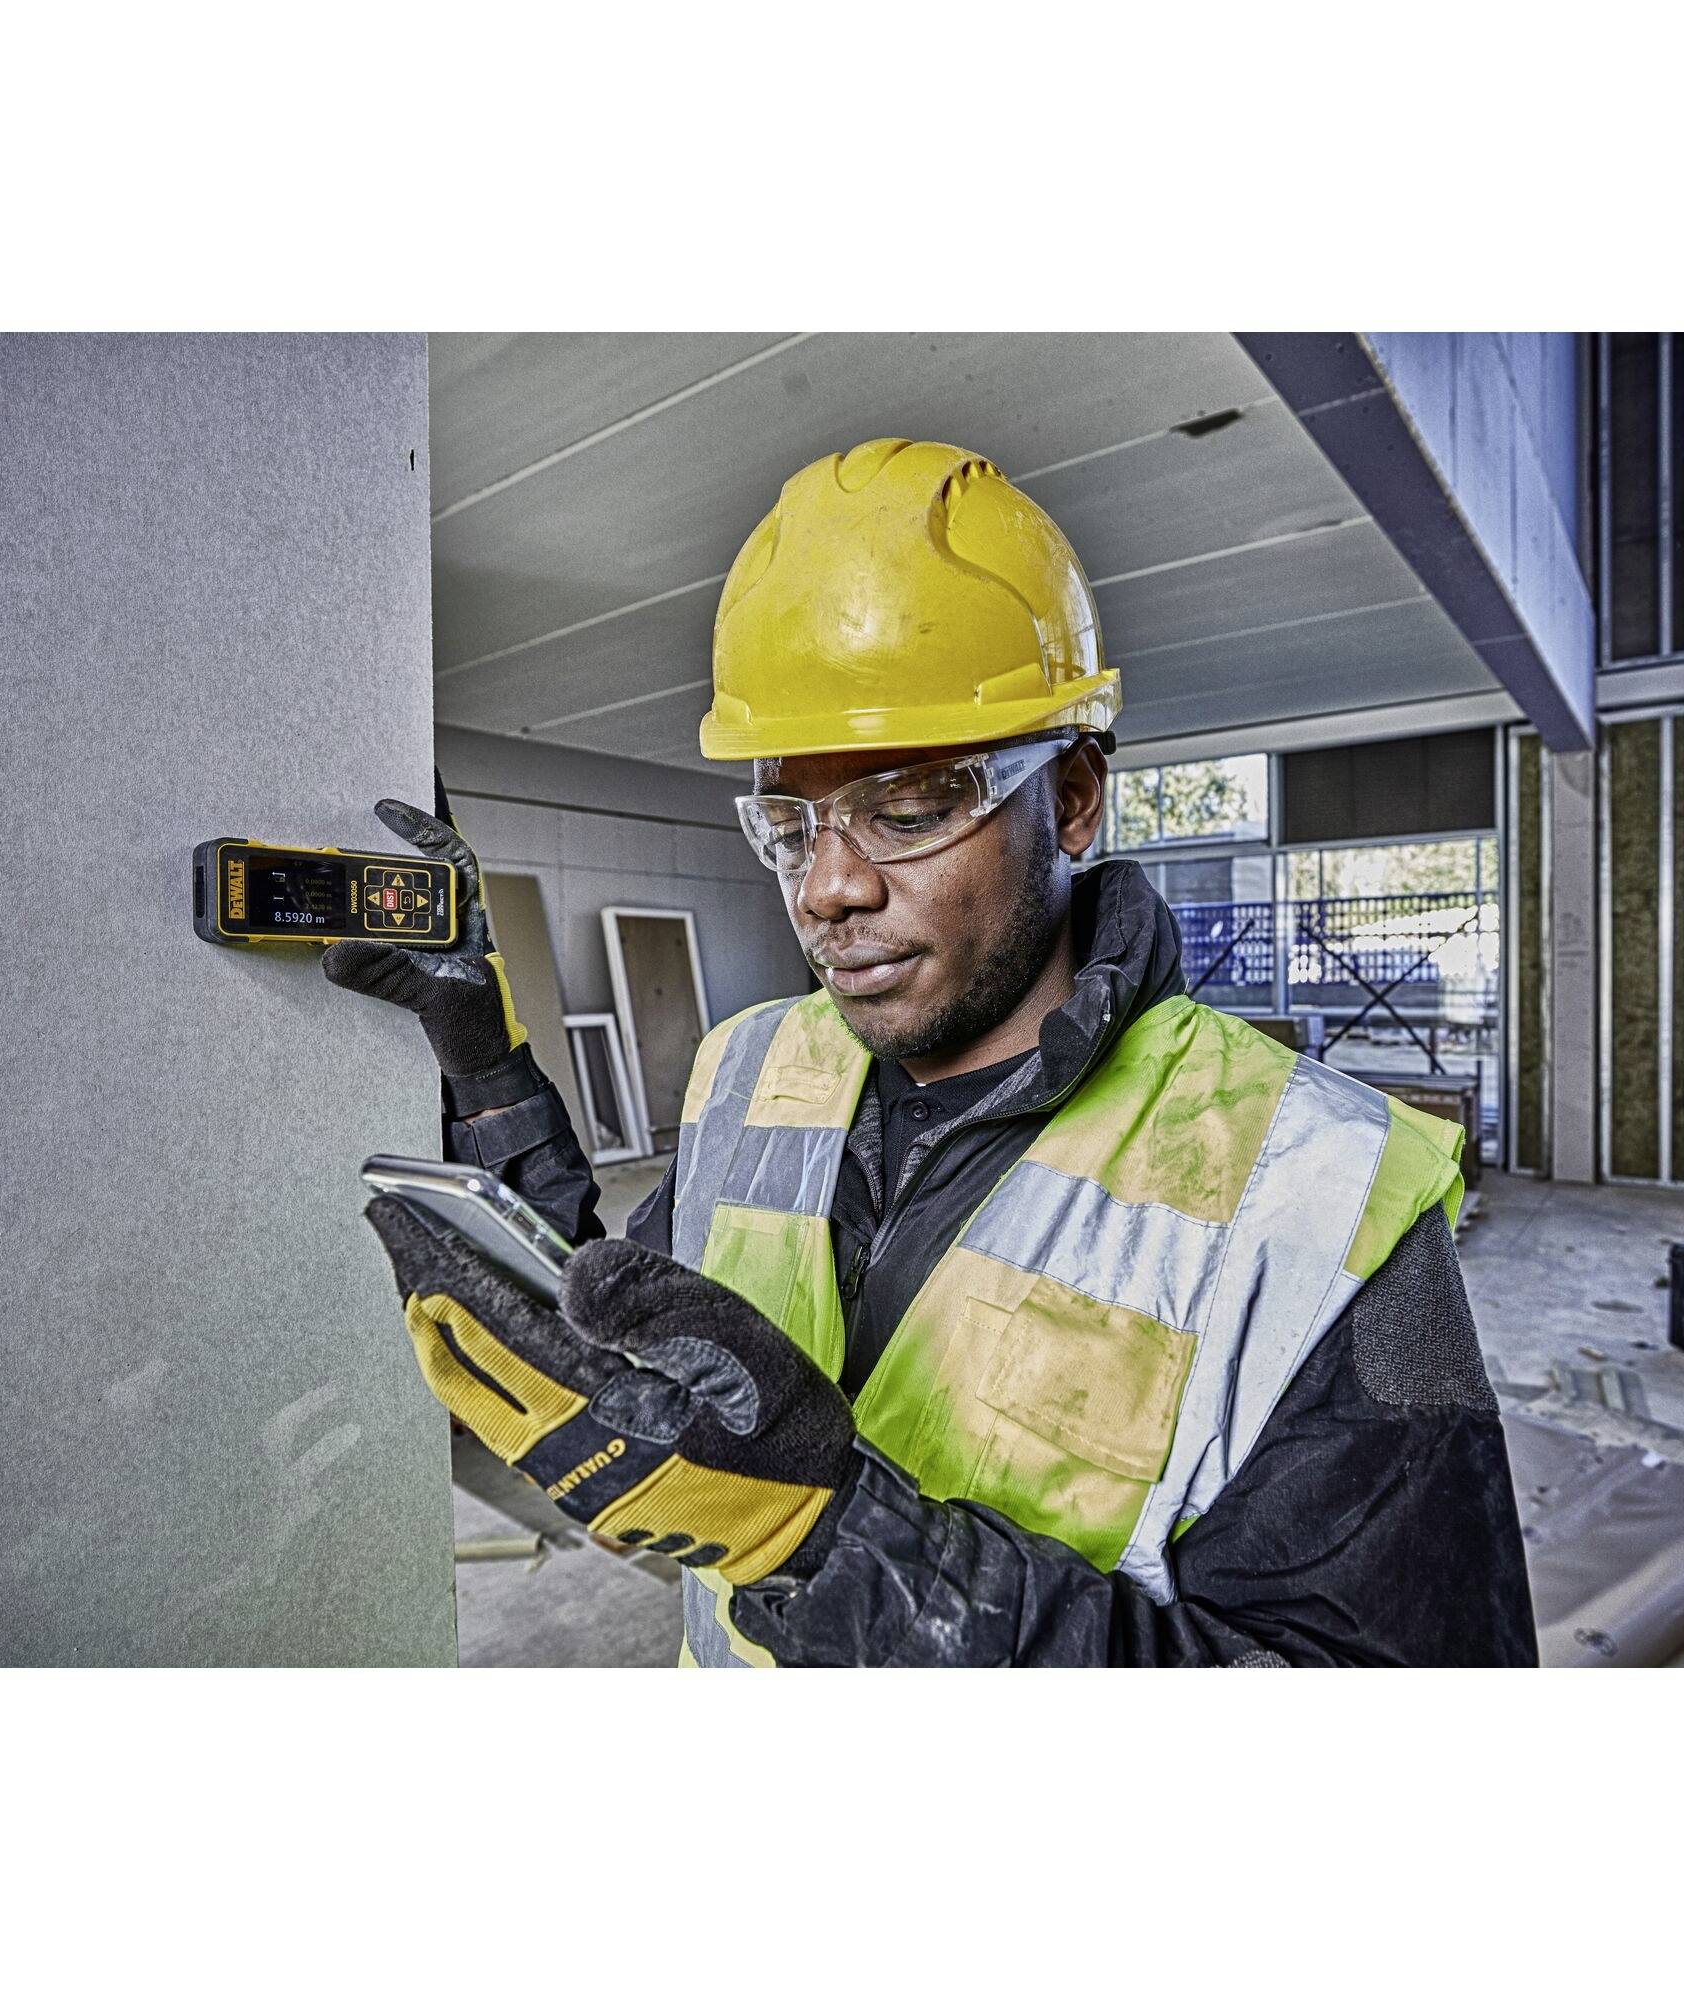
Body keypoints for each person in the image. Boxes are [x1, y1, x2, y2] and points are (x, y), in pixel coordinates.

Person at [332, 438, 1537, 1667]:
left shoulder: (1319, 1198)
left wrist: (830, 1541)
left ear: (1071, 795)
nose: (829, 887)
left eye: (906, 812)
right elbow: (648, 1359)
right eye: (791, 825)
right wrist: (485, 1076)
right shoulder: (749, 1069)